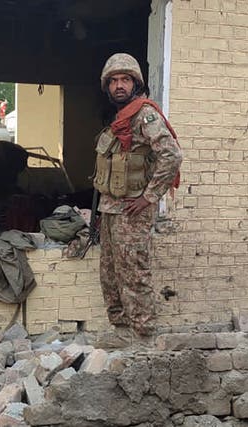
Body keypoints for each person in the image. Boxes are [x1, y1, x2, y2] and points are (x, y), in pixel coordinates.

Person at [93, 53, 182, 346]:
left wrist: (150, 196)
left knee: (134, 273)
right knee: (110, 273)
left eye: (125, 80)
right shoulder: (119, 118)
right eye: (114, 81)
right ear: (107, 87)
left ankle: (143, 337)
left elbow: (171, 155)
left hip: (132, 210)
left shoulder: (144, 114)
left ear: (135, 83)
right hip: (110, 207)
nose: (119, 85)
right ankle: (121, 330)